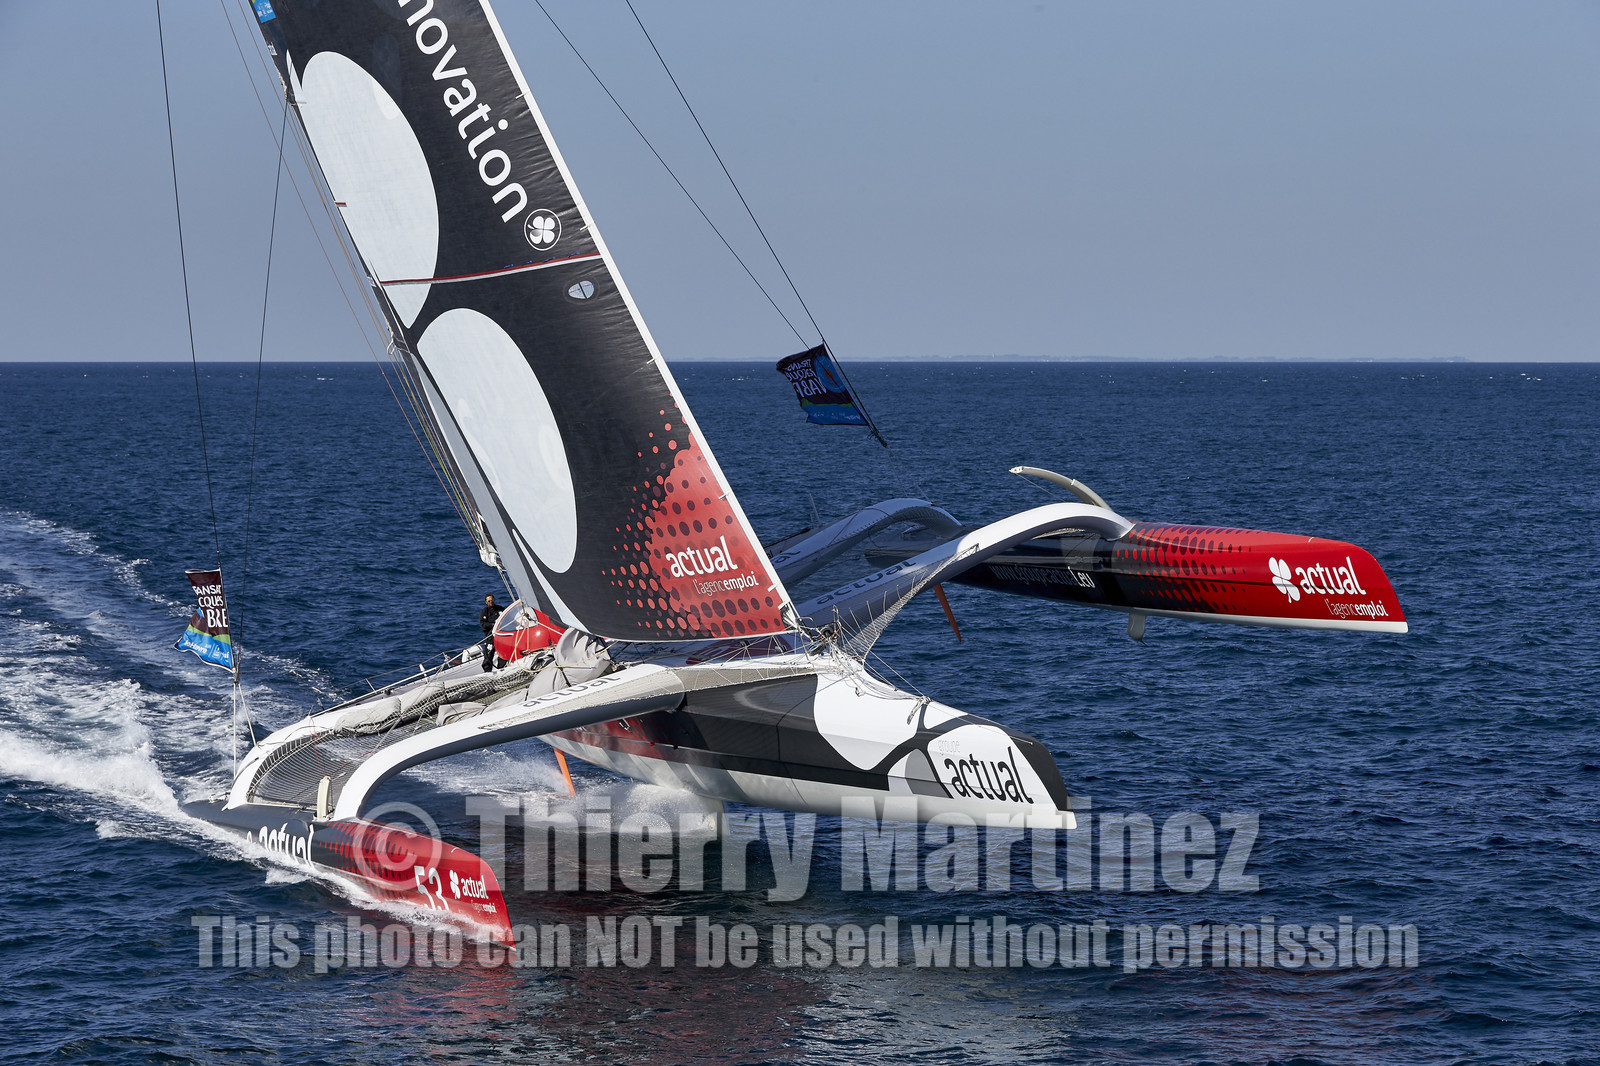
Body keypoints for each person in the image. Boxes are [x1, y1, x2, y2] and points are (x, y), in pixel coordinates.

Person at [479, 593, 503, 672]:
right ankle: (487, 670)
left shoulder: (500, 609)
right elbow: (483, 624)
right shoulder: (484, 612)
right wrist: (493, 625)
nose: (491, 602)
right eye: (489, 601)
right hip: (490, 637)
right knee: (488, 654)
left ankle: (502, 667)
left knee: (502, 652)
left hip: (500, 636)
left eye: (492, 600)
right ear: (486, 602)